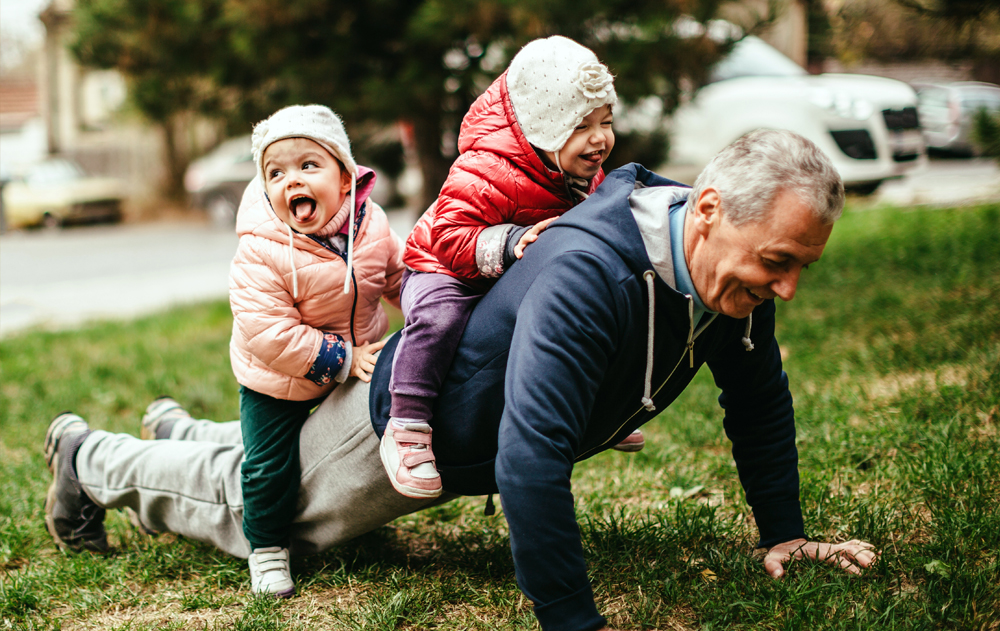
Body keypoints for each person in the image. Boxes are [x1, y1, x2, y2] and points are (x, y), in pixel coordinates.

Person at [42, 129, 878, 631]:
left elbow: (758, 395)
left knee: (257, 459)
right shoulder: (593, 270)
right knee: (242, 504)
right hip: (397, 429)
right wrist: (572, 620)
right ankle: (87, 460)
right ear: (707, 210)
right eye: (778, 262)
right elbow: (530, 458)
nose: (787, 287)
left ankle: (185, 430)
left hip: (435, 417)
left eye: (800, 265)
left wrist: (785, 532)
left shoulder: (722, 274)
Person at [383, 35, 641, 500]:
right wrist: (508, 242)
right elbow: (448, 236)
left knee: (578, 313)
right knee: (439, 320)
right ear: (543, 126)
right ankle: (407, 422)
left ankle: (593, 406)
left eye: (605, 120)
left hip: (513, 268)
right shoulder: (482, 169)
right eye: (582, 125)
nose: (600, 138)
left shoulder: (578, 170)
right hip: (445, 266)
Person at [230, 104, 404, 596]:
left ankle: (359, 508)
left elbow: (395, 276)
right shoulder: (261, 248)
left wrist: (426, 304)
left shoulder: (371, 225)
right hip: (277, 376)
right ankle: (266, 547)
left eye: (309, 165)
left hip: (358, 354)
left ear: (346, 178)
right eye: (276, 172)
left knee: (367, 432)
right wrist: (343, 360)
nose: (292, 180)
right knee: (268, 463)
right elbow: (268, 331)